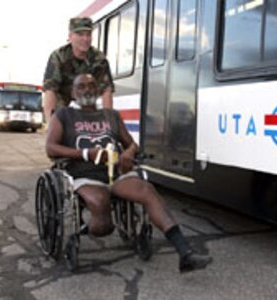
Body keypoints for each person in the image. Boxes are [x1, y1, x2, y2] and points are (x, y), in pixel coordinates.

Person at [45, 73, 212, 273]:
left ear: (98, 90)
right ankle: (82, 231)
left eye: (91, 85)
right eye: (81, 86)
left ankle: (185, 253)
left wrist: (129, 153)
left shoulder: (111, 115)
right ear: (73, 92)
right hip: (85, 175)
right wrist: (86, 153)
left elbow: (132, 144)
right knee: (103, 220)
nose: (87, 89)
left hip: (116, 173)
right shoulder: (64, 115)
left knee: (147, 191)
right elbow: (51, 148)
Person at [42, 17, 114, 125]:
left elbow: (106, 90)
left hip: (87, 102)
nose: (85, 39)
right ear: (70, 37)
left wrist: (109, 122)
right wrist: (50, 123)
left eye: (88, 34)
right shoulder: (58, 57)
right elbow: (50, 90)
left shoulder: (99, 59)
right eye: (80, 34)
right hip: (62, 102)